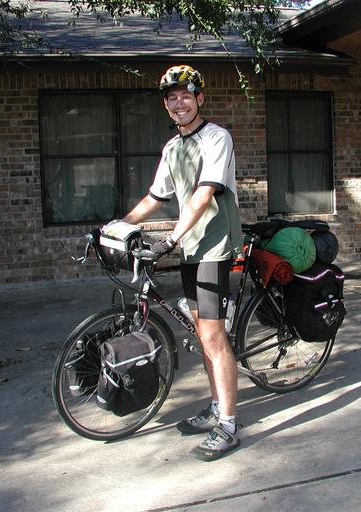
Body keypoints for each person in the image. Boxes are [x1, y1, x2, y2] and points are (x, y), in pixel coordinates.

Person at [121, 64, 243, 461]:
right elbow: (155, 197)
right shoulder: (172, 148)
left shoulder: (216, 137)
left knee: (213, 336)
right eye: (171, 98)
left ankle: (228, 424)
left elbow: (204, 194)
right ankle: (216, 406)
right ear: (166, 106)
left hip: (215, 246)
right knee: (203, 332)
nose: (179, 103)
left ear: (199, 99)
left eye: (185, 96)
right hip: (191, 246)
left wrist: (171, 238)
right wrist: (119, 225)